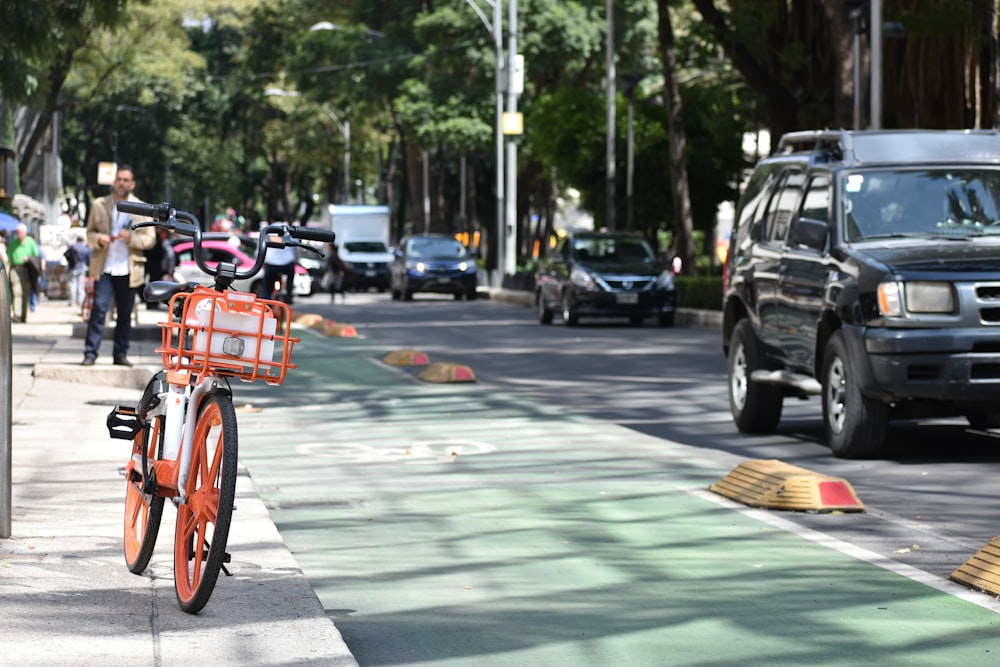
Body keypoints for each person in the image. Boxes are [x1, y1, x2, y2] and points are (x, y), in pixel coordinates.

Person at [81, 165, 155, 367]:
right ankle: (90, 353)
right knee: (98, 309)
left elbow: (150, 239)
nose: (121, 183)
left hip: (129, 269)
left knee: (125, 314)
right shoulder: (99, 204)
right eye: (118, 179)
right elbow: (89, 234)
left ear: (132, 183)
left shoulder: (141, 207)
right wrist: (99, 239)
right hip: (105, 267)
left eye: (125, 180)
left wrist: (132, 238)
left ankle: (120, 354)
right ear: (114, 181)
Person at [8, 222, 44, 312]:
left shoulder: (30, 242)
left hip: (27, 269)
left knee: (25, 292)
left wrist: (28, 258)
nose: (19, 235)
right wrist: (7, 271)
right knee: (17, 291)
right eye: (18, 233)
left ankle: (23, 315)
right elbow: (9, 258)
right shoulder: (13, 243)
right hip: (15, 269)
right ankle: (17, 314)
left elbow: (36, 256)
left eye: (21, 233)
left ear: (24, 233)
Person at [260, 226, 299, 304]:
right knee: (290, 277)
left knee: (267, 289)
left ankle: (266, 303)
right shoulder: (290, 230)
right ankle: (289, 294)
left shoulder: (267, 230)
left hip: (271, 264)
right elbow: (297, 249)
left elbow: (260, 248)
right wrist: (297, 260)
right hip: (287, 264)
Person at [143, 227, 175, 309]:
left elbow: (170, 255)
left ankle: (152, 303)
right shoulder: (157, 239)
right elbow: (170, 255)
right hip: (155, 265)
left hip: (155, 265)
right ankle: (152, 303)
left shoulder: (162, 239)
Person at [66, 234, 92, 310]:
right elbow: (89, 260)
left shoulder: (72, 247)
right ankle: (81, 302)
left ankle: (72, 301)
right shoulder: (86, 249)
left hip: (73, 267)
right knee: (81, 285)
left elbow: (66, 254)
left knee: (72, 285)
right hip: (83, 267)